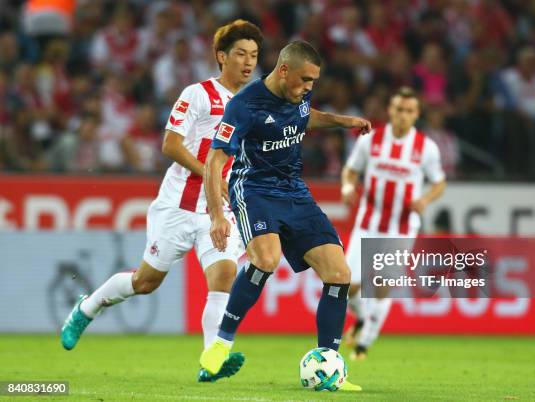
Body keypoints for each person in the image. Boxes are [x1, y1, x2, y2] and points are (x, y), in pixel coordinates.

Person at [60, 20, 264, 383]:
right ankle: (86, 307)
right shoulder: (197, 94)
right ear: (222, 57)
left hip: (219, 210)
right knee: (145, 281)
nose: (248, 63)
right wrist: (209, 172)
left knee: (224, 276)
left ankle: (210, 360)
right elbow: (170, 144)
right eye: (240, 54)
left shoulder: (255, 104)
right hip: (177, 206)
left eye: (254, 56)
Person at [200, 40, 370, 391]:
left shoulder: (299, 96)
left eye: (314, 82)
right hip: (255, 191)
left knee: (339, 273)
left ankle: (330, 367)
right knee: (266, 258)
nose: (310, 88)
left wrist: (343, 122)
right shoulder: (244, 105)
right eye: (306, 80)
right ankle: (221, 343)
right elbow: (215, 161)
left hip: (295, 191)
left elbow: (306, 118)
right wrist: (217, 215)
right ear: (283, 71)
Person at [341, 87, 446, 360]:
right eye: (399, 109)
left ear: (416, 114)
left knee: (380, 285)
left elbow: (439, 183)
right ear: (390, 110)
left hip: (401, 227)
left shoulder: (426, 148)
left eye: (409, 111)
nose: (403, 115)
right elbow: (351, 170)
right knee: (347, 284)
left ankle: (364, 344)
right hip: (367, 223)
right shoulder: (371, 141)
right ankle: (362, 319)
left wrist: (425, 199)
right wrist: (346, 186)